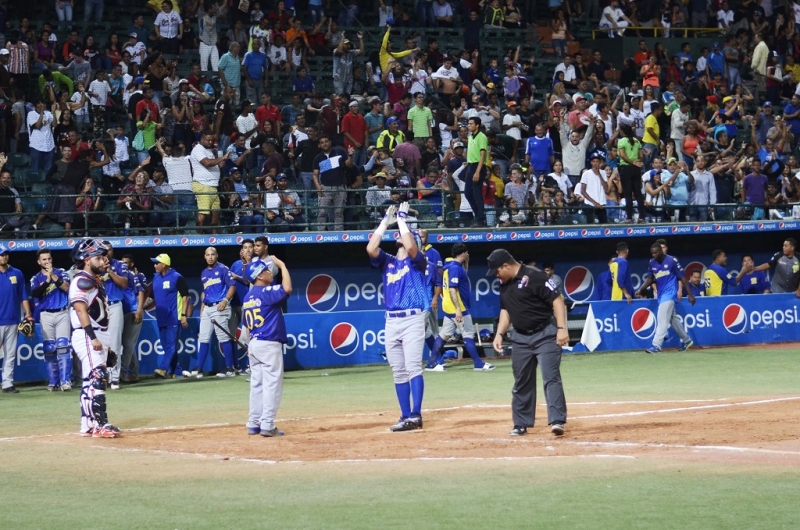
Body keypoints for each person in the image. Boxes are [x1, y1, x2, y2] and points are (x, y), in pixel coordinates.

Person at [488, 248, 568, 437]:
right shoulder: (504, 283)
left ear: (506, 265)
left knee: (551, 377)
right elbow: (505, 310)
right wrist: (499, 333)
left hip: (545, 334)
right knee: (522, 381)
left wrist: (562, 328)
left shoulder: (535, 276)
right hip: (520, 338)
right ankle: (521, 423)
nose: (496, 275)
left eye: (497, 271)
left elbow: (557, 300)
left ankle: (557, 421)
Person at [366, 203, 430, 432]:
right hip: (391, 320)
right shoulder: (388, 261)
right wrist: (386, 221)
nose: (402, 238)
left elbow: (412, 248)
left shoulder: (418, 261)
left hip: (412, 318)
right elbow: (371, 248)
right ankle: (404, 415)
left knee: (413, 367)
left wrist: (403, 219)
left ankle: (416, 414)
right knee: (398, 370)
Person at [68, 238, 119, 438]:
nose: (104, 261)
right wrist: (94, 338)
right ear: (87, 260)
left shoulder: (94, 280)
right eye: (99, 257)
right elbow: (81, 311)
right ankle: (101, 424)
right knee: (98, 377)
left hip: (97, 333)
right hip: (88, 333)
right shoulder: (82, 280)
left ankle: (88, 423)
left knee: (90, 380)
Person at [243, 256, 292, 437]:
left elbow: (247, 329)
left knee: (257, 385)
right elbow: (287, 288)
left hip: (254, 344)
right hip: (269, 343)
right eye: (266, 270)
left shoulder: (248, 296)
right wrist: (283, 265)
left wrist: (251, 346)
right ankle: (267, 424)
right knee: (272, 385)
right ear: (259, 276)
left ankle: (253, 422)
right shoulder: (265, 291)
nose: (269, 272)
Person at [427, 243, 495, 372]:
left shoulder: (451, 266)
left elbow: (462, 277)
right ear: (463, 253)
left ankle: (431, 364)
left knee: (443, 336)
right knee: (468, 335)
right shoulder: (455, 268)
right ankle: (478, 363)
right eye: (466, 253)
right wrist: (458, 309)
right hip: (459, 309)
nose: (467, 254)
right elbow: (453, 289)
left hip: (448, 308)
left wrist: (466, 263)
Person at [183, 247, 238, 379]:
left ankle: (230, 368)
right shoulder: (204, 273)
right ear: (205, 257)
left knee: (223, 338)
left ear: (217, 255)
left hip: (220, 307)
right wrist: (202, 307)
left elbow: (232, 286)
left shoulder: (223, 269)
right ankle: (199, 369)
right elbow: (206, 291)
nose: (210, 257)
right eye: (208, 255)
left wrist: (225, 300)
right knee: (203, 338)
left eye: (213, 254)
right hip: (207, 308)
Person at [636, 242, 696, 354]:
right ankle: (687, 340)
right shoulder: (651, 262)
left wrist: (690, 294)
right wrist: (641, 289)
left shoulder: (672, 260)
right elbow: (650, 278)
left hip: (670, 294)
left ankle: (656, 345)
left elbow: (682, 278)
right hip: (661, 295)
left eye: (655, 252)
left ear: (661, 251)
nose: (653, 255)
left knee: (662, 318)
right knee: (673, 319)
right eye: (652, 253)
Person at [30, 248, 71, 392]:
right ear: (39, 262)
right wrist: (47, 280)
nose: (47, 262)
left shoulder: (61, 272)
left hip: (61, 313)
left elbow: (67, 287)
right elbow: (36, 293)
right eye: (44, 259)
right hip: (45, 314)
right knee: (49, 349)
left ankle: (66, 381)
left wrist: (53, 276)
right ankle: (54, 381)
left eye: (49, 259)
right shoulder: (36, 278)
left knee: (63, 346)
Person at [149, 253, 190, 378]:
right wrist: (138, 309)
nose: (155, 265)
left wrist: (183, 315)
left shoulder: (177, 277)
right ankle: (176, 371)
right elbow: (151, 298)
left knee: (171, 345)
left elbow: (186, 297)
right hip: (161, 318)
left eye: (157, 263)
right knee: (166, 346)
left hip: (174, 317)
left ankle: (163, 369)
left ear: (164, 265)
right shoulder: (156, 278)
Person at [0, 243, 33, 394]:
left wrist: (28, 313)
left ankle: (7, 383)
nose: (4, 256)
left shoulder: (17, 273)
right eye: (1, 254)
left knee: (10, 354)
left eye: (5, 254)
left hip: (13, 319)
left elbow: (23, 295)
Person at [102, 242, 130, 390]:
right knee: (101, 344)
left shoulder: (119, 265)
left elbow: (124, 283)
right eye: (104, 250)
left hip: (114, 305)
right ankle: (103, 376)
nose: (107, 253)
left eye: (109, 250)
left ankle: (114, 378)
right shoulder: (94, 265)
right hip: (98, 308)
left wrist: (109, 271)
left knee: (114, 344)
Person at [312, 135, 354, 231]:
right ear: (319, 145)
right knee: (322, 212)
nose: (324, 144)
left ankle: (338, 232)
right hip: (325, 188)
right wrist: (318, 186)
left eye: (326, 141)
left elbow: (349, 165)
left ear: (330, 142)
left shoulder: (339, 152)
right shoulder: (318, 158)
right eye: (322, 142)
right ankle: (320, 232)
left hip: (340, 187)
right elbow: (315, 174)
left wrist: (351, 155)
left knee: (339, 212)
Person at [120, 254, 146, 384]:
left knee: (128, 344)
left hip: (133, 311)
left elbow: (141, 292)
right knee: (127, 344)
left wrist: (139, 310)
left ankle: (122, 373)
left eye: (126, 263)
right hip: (122, 312)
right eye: (122, 263)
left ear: (131, 264)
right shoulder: (117, 274)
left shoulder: (133, 275)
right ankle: (134, 373)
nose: (123, 265)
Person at [465, 117, 489, 227]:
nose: (469, 126)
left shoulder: (482, 137)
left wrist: (478, 172)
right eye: (468, 124)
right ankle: (478, 215)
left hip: (478, 166)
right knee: (468, 193)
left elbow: (482, 155)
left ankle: (480, 219)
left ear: (477, 125)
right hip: (471, 165)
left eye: (471, 124)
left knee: (476, 193)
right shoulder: (470, 136)